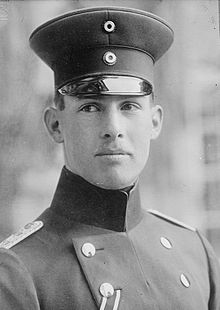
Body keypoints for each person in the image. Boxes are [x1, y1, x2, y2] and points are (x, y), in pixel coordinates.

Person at [0, 6, 219, 310]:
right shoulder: (18, 271)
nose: (113, 129)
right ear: (55, 124)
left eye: (129, 106)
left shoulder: (195, 252)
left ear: (155, 122)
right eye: (90, 107)